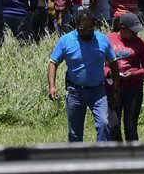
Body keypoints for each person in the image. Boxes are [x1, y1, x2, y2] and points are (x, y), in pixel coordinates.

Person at [48, 7, 120, 143]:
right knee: (75, 132)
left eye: (90, 28)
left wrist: (116, 86)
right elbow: (53, 63)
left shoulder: (102, 40)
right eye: (83, 28)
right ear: (76, 25)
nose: (86, 31)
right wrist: (52, 86)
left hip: (98, 91)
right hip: (75, 92)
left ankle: (100, 159)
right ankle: (77, 160)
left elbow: (114, 63)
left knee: (104, 124)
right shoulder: (65, 41)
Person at [107, 11, 144, 142]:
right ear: (123, 28)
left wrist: (134, 74)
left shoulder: (139, 43)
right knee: (113, 125)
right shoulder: (108, 39)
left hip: (134, 89)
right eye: (133, 31)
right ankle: (118, 155)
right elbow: (100, 62)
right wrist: (109, 73)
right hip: (113, 88)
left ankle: (134, 157)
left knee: (130, 126)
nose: (136, 34)